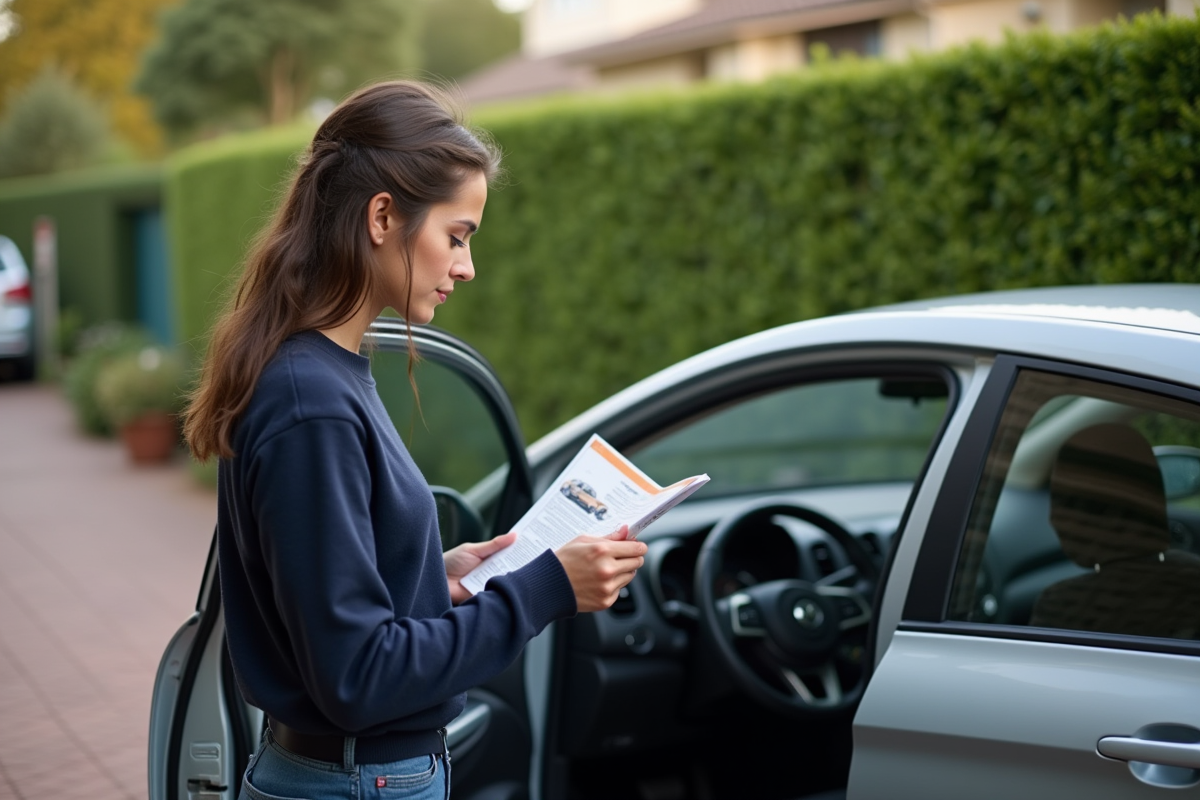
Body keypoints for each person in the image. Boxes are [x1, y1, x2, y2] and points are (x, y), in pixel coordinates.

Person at [183, 80, 648, 800]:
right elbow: (358, 676)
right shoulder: (313, 404)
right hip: (353, 783)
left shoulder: (325, 374)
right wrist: (545, 589)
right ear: (381, 217)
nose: (465, 266)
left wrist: (433, 575)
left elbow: (328, 595)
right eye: (456, 237)